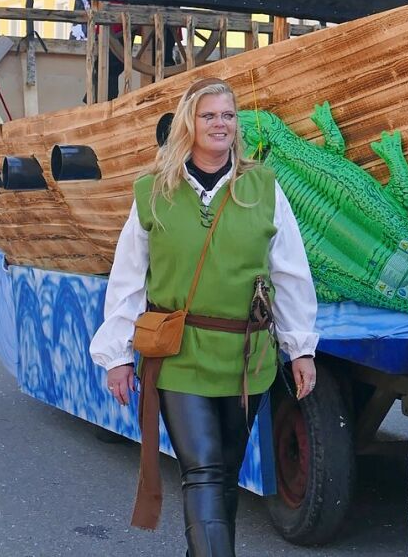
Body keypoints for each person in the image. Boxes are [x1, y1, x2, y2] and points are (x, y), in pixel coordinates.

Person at [89, 78, 319, 556]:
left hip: (245, 360)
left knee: (223, 475)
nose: (220, 124)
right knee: (205, 472)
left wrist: (301, 348)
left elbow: (291, 273)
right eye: (209, 115)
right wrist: (116, 356)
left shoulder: (265, 188)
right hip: (180, 355)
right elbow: (128, 280)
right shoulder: (153, 192)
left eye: (228, 116)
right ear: (187, 124)